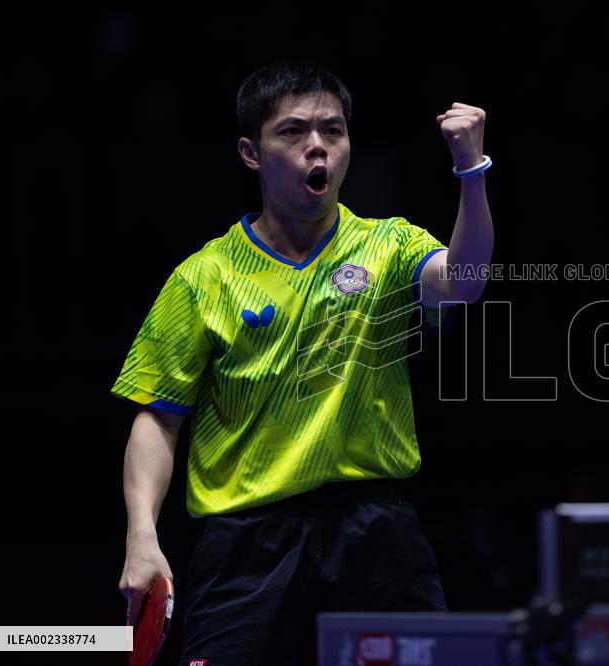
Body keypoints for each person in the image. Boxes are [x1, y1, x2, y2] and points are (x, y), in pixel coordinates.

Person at [112, 59, 494, 666]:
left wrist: (470, 171)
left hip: (376, 538)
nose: (317, 145)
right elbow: (158, 420)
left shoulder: (388, 246)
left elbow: (466, 281)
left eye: (333, 131)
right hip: (245, 548)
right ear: (251, 153)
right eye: (292, 132)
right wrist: (141, 537)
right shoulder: (203, 278)